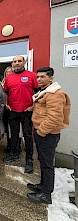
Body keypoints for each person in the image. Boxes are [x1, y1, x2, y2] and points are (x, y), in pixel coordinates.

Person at [27, 67, 71, 204]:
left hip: (47, 134)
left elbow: (55, 118)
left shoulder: (55, 94)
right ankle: (43, 186)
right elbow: (44, 109)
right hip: (43, 132)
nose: (39, 79)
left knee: (47, 164)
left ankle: (46, 194)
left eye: (42, 77)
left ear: (50, 78)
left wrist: (41, 131)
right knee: (42, 161)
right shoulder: (45, 92)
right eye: (38, 77)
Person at [3, 56, 39, 174]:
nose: (17, 63)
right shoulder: (9, 78)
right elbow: (6, 93)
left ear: (24, 62)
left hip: (27, 111)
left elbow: (39, 93)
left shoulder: (32, 75)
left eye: (19, 61)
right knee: (14, 134)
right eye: (14, 61)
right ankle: (14, 154)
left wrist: (34, 106)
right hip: (13, 111)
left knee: (27, 136)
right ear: (12, 64)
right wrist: (6, 104)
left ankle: (29, 160)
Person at [1, 66, 13, 153]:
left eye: (10, 71)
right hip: (4, 108)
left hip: (12, 107)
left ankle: (14, 146)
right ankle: (9, 145)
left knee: (13, 128)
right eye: (7, 72)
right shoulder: (3, 82)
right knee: (7, 128)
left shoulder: (14, 81)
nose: (8, 73)